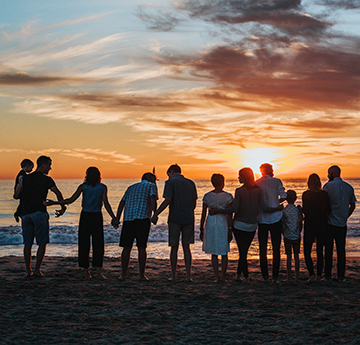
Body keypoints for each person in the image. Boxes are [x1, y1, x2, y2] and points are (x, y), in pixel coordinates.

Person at [46, 167, 116, 279]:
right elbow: (106, 203)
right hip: (97, 216)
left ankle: (86, 272)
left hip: (85, 216)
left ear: (87, 175)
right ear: (99, 176)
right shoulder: (102, 187)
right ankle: (98, 272)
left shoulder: (83, 187)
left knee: (84, 244)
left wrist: (55, 202)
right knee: (98, 244)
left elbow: (71, 200)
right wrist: (114, 217)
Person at [14, 155, 66, 277]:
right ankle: (37, 270)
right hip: (39, 213)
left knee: (28, 244)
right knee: (42, 243)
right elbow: (58, 193)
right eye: (49, 165)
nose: (50, 168)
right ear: (43, 165)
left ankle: (28, 271)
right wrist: (62, 207)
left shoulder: (25, 178)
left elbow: (17, 195)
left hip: (26, 215)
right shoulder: (47, 180)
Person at [211, 168, 262, 282]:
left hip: (239, 225)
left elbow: (234, 209)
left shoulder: (239, 191)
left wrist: (219, 210)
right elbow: (262, 206)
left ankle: (244, 276)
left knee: (242, 252)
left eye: (240, 176)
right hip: (252, 225)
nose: (238, 178)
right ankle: (240, 275)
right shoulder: (258, 190)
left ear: (245, 177)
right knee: (244, 252)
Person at [151, 164, 197, 282]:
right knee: (187, 247)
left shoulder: (170, 183)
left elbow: (168, 200)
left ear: (171, 172)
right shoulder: (191, 183)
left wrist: (156, 213)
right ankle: (188, 276)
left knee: (174, 247)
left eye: (169, 175)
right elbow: (194, 204)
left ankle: (174, 276)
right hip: (188, 218)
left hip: (175, 218)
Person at [112, 172, 158, 281]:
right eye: (154, 179)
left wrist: (117, 218)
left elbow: (122, 203)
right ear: (149, 178)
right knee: (141, 247)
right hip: (142, 218)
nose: (155, 181)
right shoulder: (152, 186)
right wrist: (155, 213)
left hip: (128, 219)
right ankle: (141, 275)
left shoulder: (131, 187)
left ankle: (123, 275)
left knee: (126, 247)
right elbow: (152, 198)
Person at [323, 165, 356, 281]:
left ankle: (327, 276)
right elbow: (353, 205)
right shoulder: (349, 187)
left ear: (332, 173)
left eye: (328, 173)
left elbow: (324, 204)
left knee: (328, 250)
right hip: (342, 223)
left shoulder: (328, 186)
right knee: (341, 250)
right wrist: (346, 216)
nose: (328, 175)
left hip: (330, 222)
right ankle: (341, 276)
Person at [256, 163, 287, 283]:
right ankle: (275, 276)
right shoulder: (277, 181)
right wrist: (276, 202)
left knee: (262, 248)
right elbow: (283, 196)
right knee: (276, 248)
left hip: (262, 219)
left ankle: (265, 276)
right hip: (276, 218)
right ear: (270, 170)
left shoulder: (257, 183)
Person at [200, 174, 233, 282]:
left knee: (214, 252)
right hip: (222, 222)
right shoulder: (228, 196)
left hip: (211, 222)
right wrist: (230, 228)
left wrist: (201, 228)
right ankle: (223, 276)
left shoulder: (207, 196)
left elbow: (203, 213)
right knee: (224, 251)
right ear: (222, 183)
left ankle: (217, 277)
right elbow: (230, 214)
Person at [302, 174, 331, 282]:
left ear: (308, 182)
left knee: (307, 251)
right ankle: (319, 275)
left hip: (310, 224)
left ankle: (311, 275)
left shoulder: (306, 194)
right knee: (320, 252)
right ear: (319, 182)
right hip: (322, 225)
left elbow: (305, 210)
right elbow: (329, 211)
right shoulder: (324, 194)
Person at [282, 190, 303, 282]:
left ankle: (289, 277)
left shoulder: (284, 210)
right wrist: (299, 231)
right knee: (297, 256)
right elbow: (300, 222)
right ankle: (297, 276)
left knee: (289, 257)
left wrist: (283, 233)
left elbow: (283, 224)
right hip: (296, 235)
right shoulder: (297, 210)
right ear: (295, 198)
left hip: (287, 235)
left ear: (286, 199)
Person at [13, 158, 34, 222]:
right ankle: (18, 213)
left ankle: (18, 213)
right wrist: (21, 186)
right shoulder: (22, 173)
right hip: (20, 190)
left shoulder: (21, 173)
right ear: (27, 166)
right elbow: (20, 179)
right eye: (31, 167)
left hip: (19, 190)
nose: (31, 169)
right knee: (23, 202)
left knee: (22, 202)